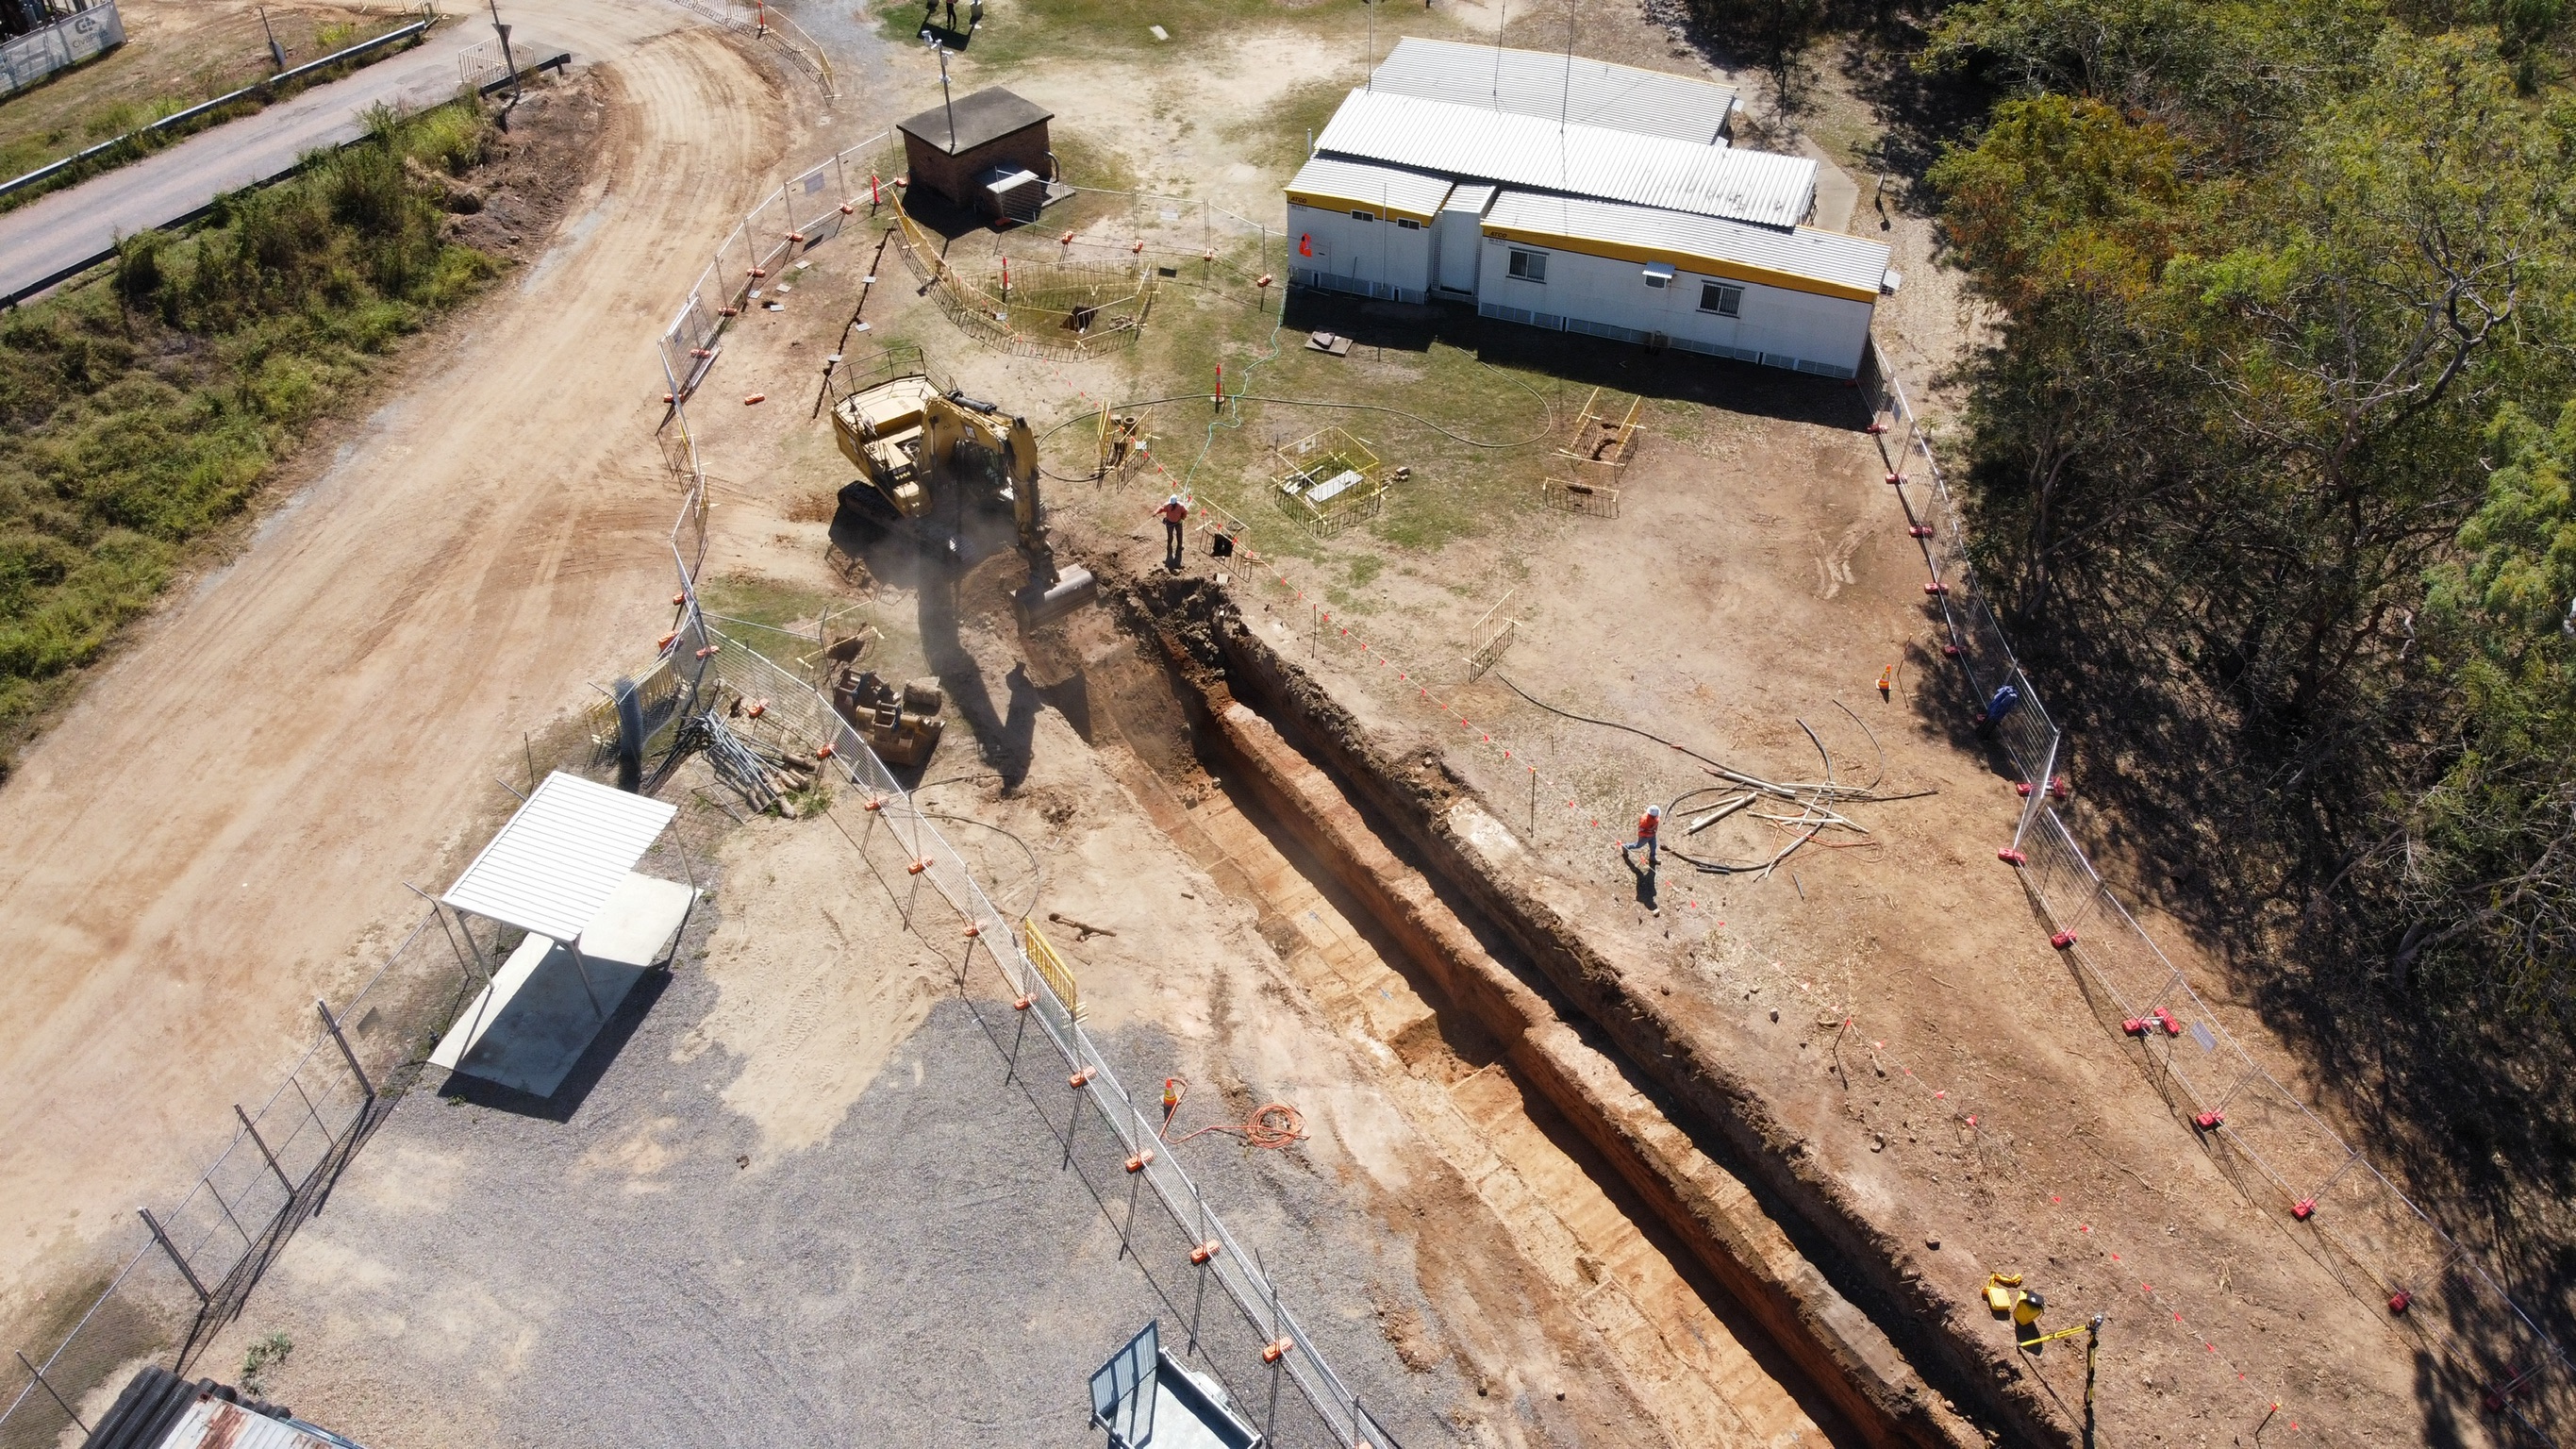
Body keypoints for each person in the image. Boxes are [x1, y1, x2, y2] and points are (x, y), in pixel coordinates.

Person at [1622, 805, 1661, 872]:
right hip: (1645, 837)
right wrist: (1649, 834)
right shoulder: (1644, 821)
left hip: (1652, 834)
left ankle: (1652, 858)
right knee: (1638, 845)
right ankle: (1625, 846)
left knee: (1653, 846)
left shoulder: (1655, 817)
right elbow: (1641, 832)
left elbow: (1656, 823)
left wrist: (1654, 832)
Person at [1157, 494, 1188, 570]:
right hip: (1169, 522)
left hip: (1178, 522)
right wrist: (1156, 512)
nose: (1172, 505)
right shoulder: (1168, 505)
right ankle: (1169, 545)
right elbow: (1162, 508)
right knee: (1170, 536)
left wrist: (1182, 518)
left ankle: (1179, 546)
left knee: (1179, 535)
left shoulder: (1181, 506)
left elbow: (1185, 511)